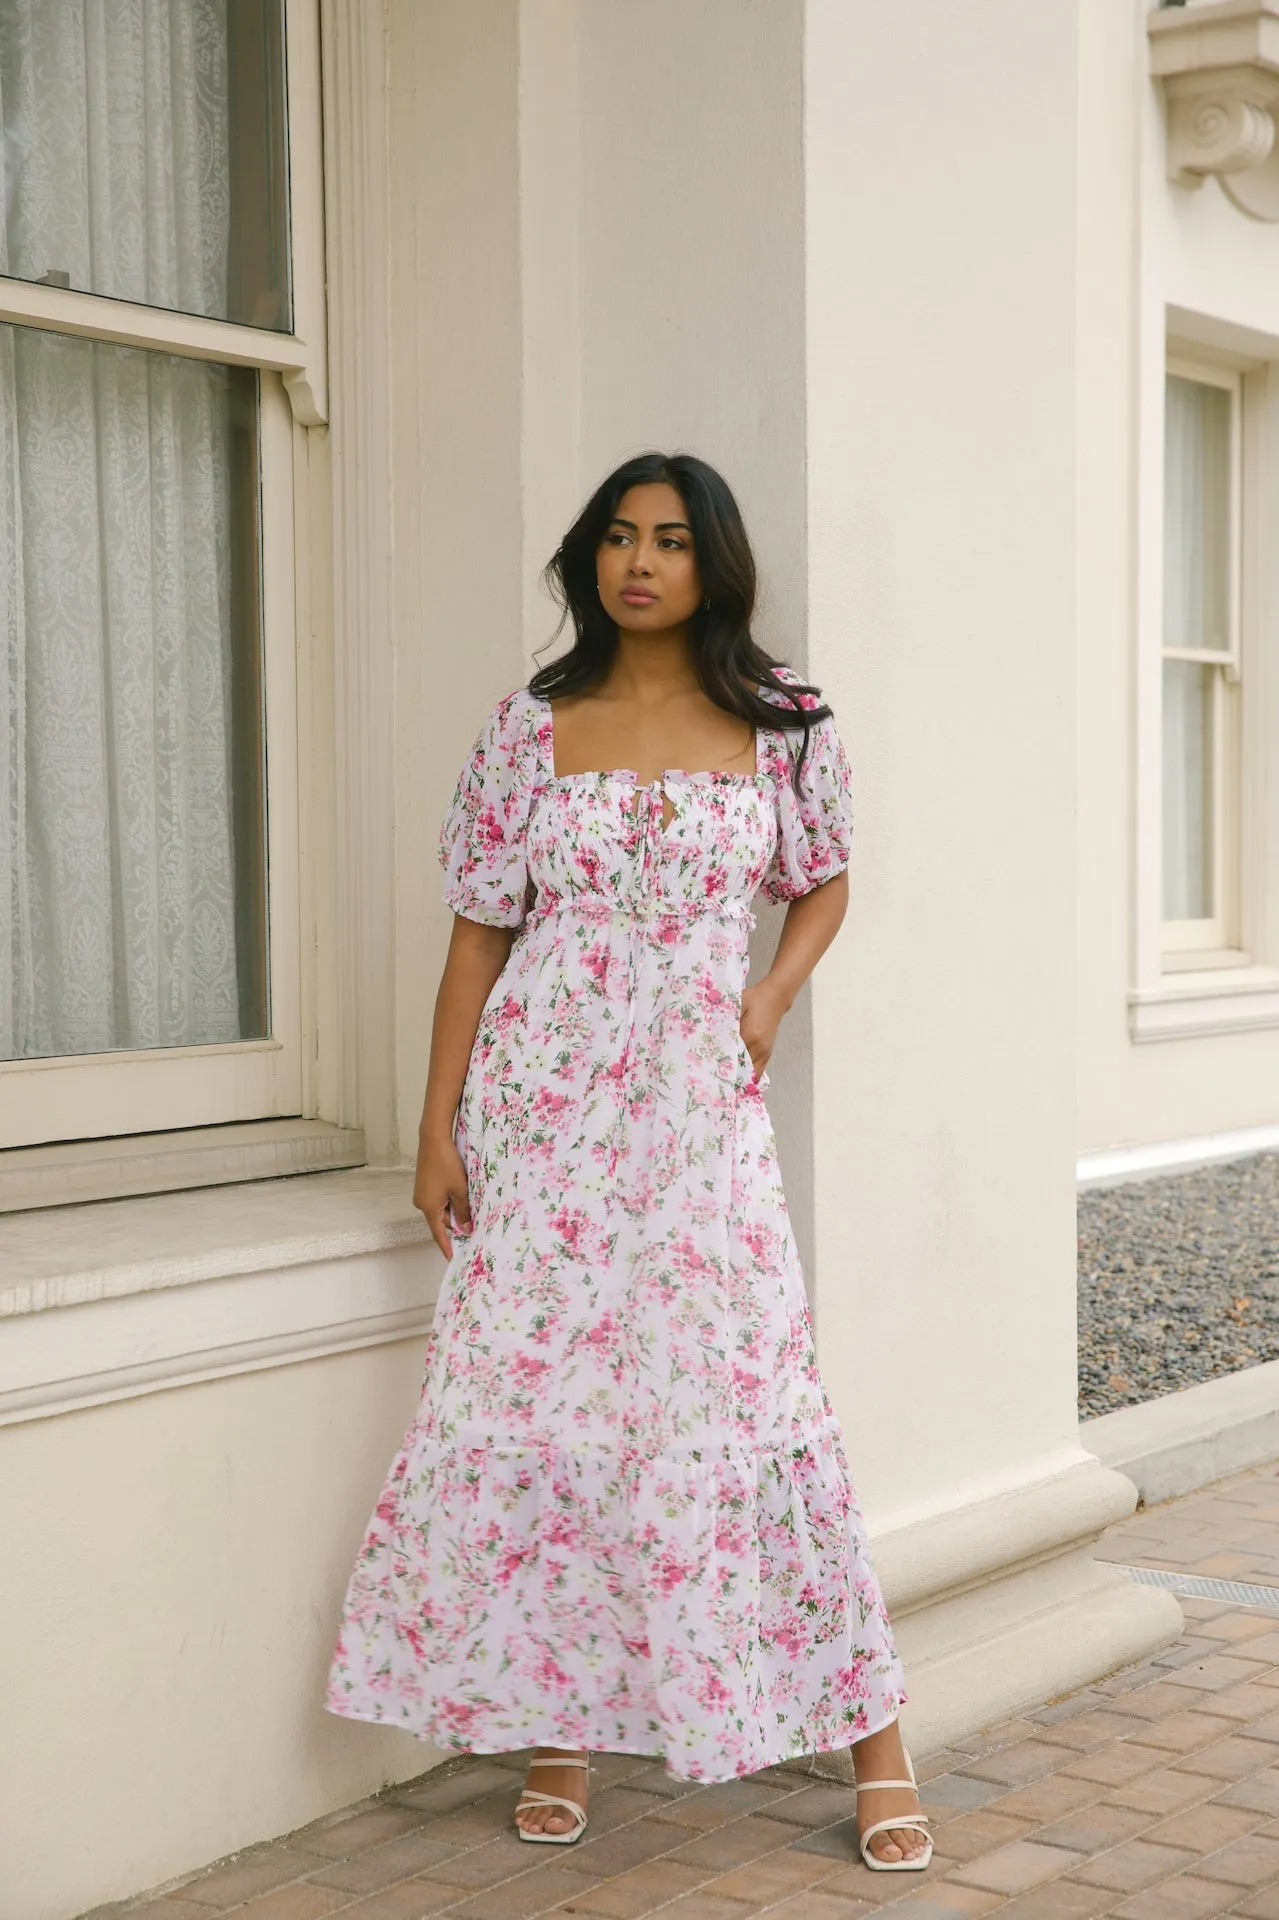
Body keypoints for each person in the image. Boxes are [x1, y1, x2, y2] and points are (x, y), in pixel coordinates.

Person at [325, 453, 931, 1872]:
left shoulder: (784, 725)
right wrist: (437, 1130)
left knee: (748, 1389)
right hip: (541, 1115)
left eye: (668, 540)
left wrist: (767, 999)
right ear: (588, 559)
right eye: (616, 537)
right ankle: (559, 1721)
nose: (638, 562)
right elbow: (479, 930)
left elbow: (828, 869)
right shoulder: (531, 728)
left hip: (696, 1114)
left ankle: (878, 1737)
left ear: (713, 562)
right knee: (549, 1402)